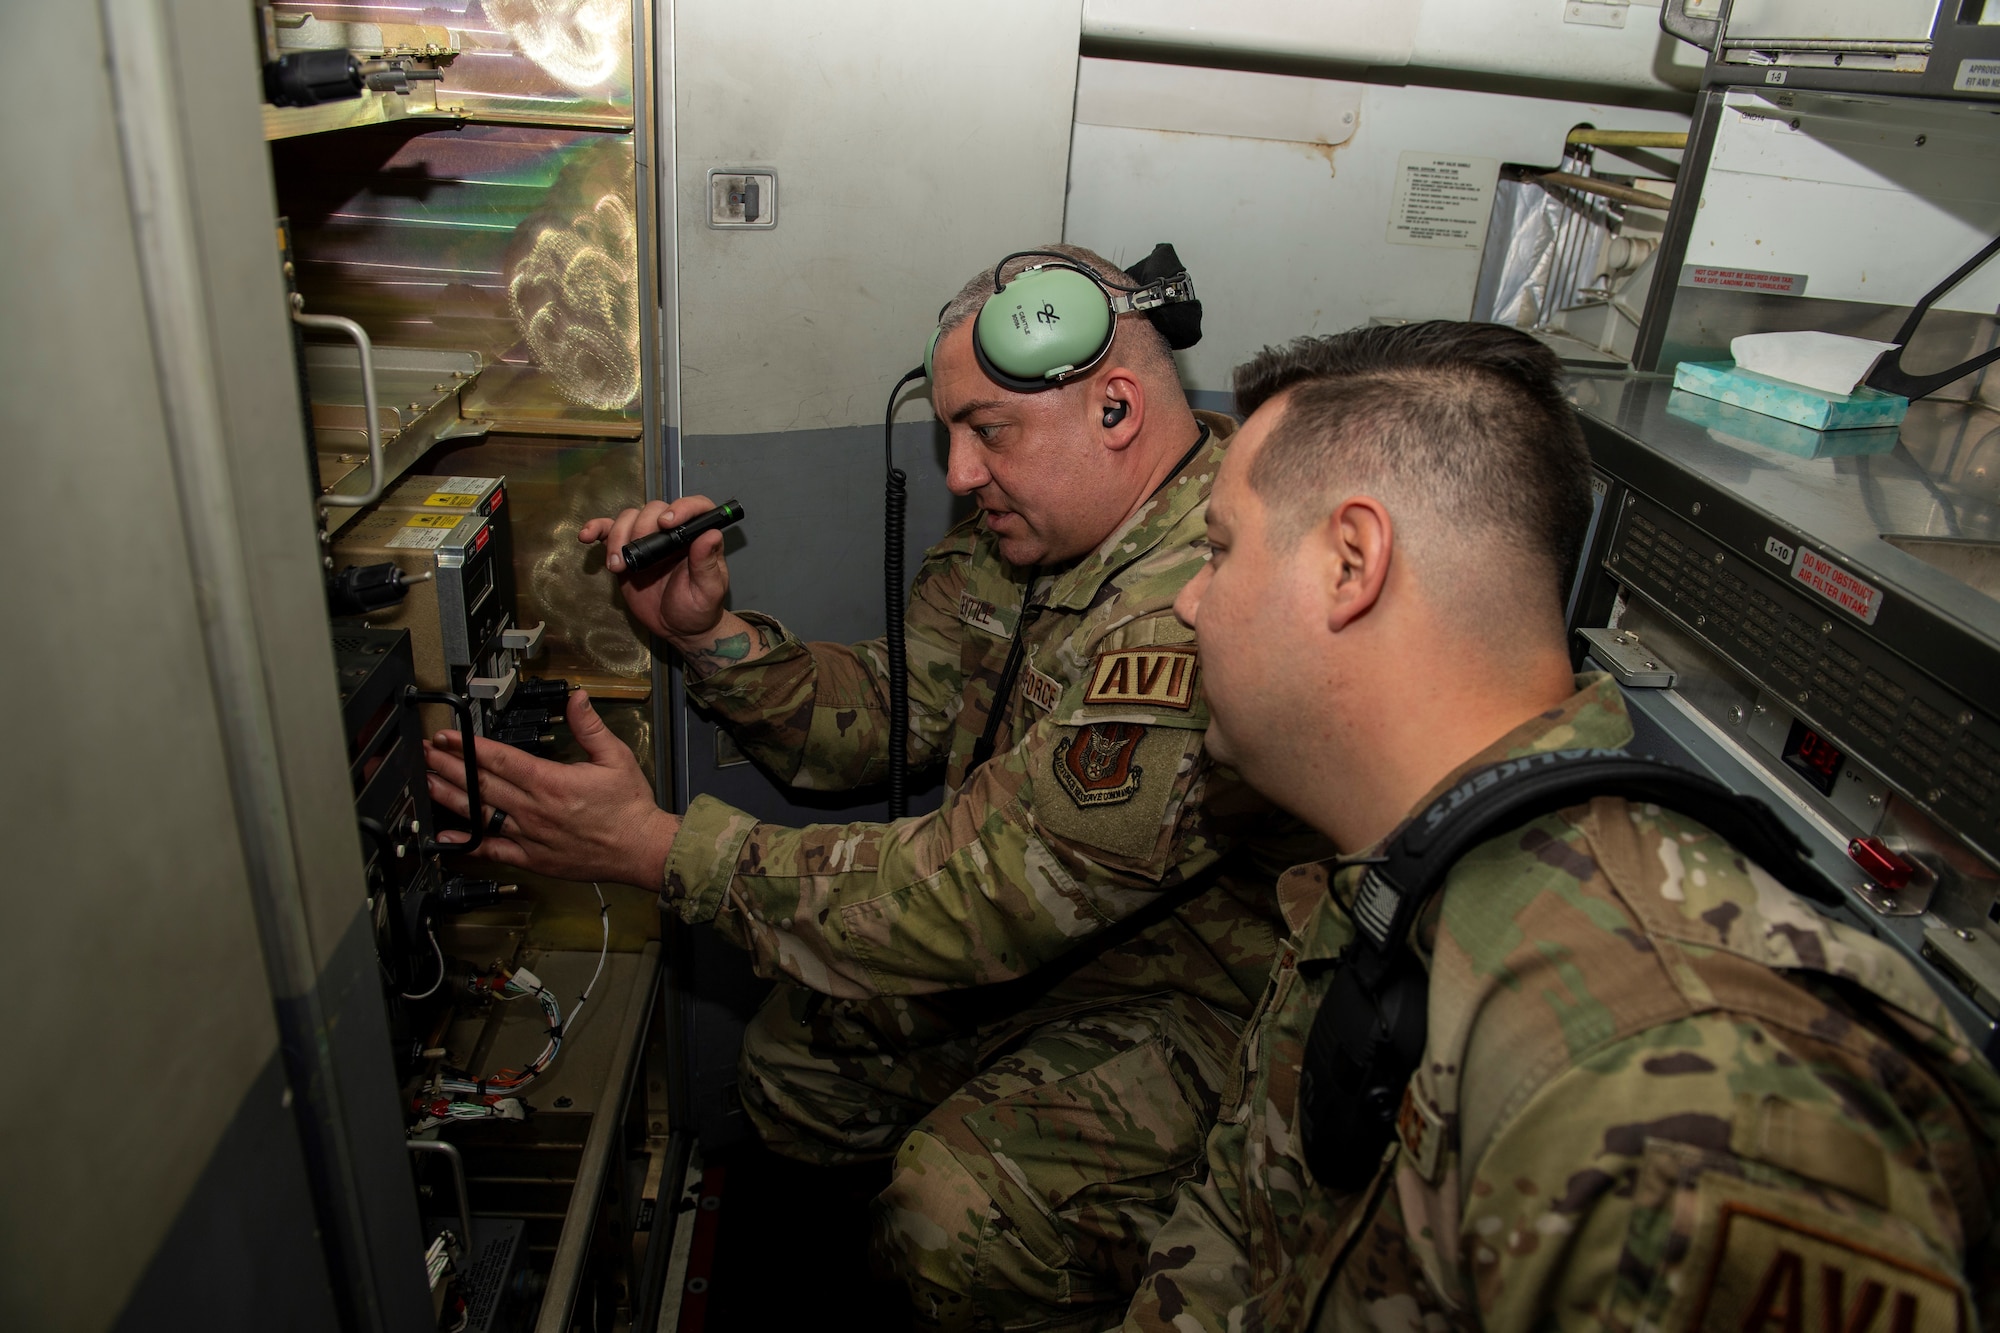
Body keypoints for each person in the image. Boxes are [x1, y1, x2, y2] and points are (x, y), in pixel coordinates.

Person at [425, 244, 1325, 1331]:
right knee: (795, 1067)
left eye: (987, 432)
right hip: (1041, 951)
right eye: (950, 433)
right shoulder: (1029, 540)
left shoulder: (1195, 605)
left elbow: (978, 891)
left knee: (955, 1212)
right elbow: (891, 713)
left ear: (1116, 409)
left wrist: (659, 850)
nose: (956, 474)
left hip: (1190, 1005)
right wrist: (710, 638)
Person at [1125, 322, 2000, 1329]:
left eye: (1219, 548)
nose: (1190, 601)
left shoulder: (1679, 1103)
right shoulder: (1409, 872)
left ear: (1348, 563)